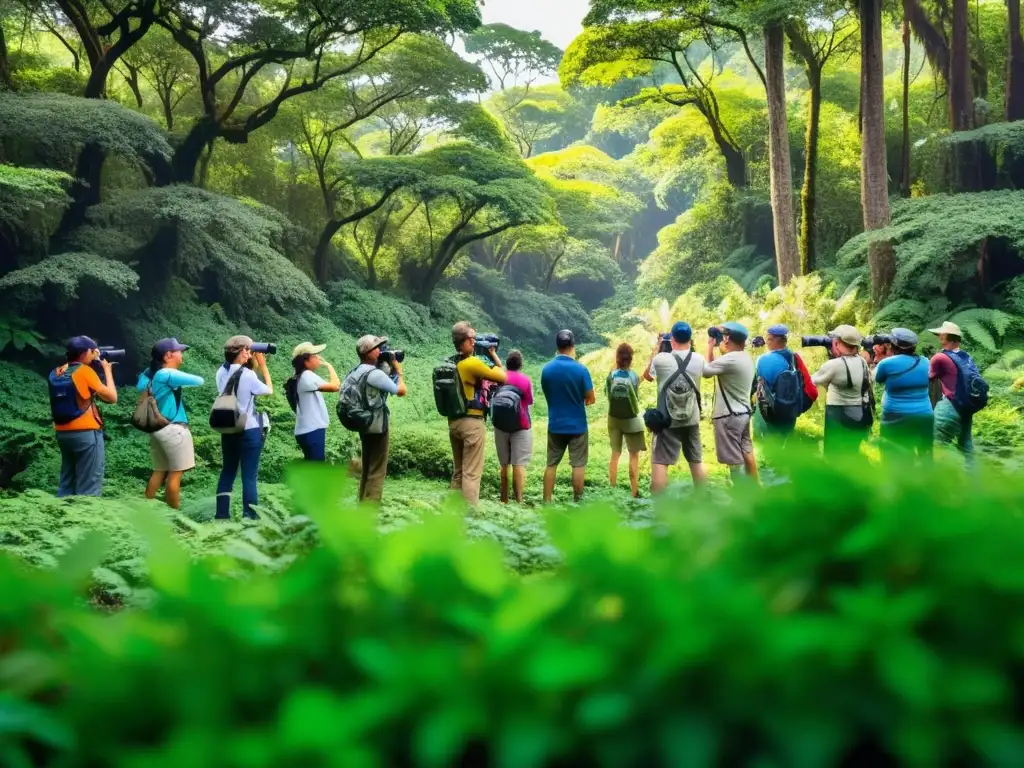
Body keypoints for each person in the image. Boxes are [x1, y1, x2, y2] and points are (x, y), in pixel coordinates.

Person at [136, 338, 204, 509]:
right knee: (175, 475)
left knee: (159, 472)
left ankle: (147, 510)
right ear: (168, 355)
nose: (182, 355)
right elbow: (199, 380)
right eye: (179, 352)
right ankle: (174, 516)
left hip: (157, 430)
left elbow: (140, 385)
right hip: (174, 430)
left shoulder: (151, 376)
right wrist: (174, 374)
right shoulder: (167, 374)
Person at [642, 322, 707, 493]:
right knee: (696, 460)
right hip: (691, 419)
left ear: (671, 339)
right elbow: (707, 373)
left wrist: (657, 346)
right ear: (690, 339)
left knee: (660, 461)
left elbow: (647, 376)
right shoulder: (699, 359)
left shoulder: (661, 359)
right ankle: (704, 500)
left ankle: (660, 506)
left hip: (666, 420)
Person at [50, 336, 117, 497]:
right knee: (89, 486)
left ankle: (61, 517)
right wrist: (107, 370)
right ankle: (85, 520)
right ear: (85, 352)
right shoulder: (85, 372)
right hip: (86, 434)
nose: (95, 355)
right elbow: (112, 398)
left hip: (63, 434)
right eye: (93, 351)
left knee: (67, 482)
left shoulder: (57, 372)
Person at [215, 335, 273, 520]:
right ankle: (250, 517)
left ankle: (222, 515)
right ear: (241, 352)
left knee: (228, 472)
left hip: (228, 428)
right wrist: (263, 366)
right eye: (247, 350)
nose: (250, 353)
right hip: (248, 430)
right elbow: (268, 390)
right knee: (249, 476)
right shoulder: (248, 375)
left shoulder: (220, 372)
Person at [448, 321, 506, 506]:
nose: (474, 343)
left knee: (459, 471)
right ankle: (470, 518)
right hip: (471, 422)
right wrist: (493, 354)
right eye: (472, 339)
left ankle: (451, 514)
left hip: (454, 422)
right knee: (471, 473)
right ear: (464, 342)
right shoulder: (472, 362)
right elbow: (503, 377)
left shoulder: (452, 361)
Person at [541, 329, 595, 503]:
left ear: (557, 346)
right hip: (577, 425)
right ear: (572, 346)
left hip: (555, 424)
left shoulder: (547, 369)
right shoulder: (581, 369)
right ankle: (577, 502)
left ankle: (547, 502)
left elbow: (548, 392)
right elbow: (591, 398)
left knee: (551, 464)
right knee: (578, 465)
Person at [351, 335, 407, 503]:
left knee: (367, 468)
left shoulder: (357, 369)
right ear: (369, 353)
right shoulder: (375, 374)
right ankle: (370, 512)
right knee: (377, 471)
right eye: (377, 348)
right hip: (377, 425)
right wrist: (399, 370)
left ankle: (362, 505)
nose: (380, 350)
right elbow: (401, 391)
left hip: (364, 423)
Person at [703, 322, 758, 483]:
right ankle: (756, 490)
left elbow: (706, 372)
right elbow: (715, 367)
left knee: (734, 461)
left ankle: (741, 497)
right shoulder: (744, 358)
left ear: (727, 339)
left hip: (729, 417)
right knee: (747, 451)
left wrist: (709, 346)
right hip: (743, 414)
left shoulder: (730, 359)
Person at [810, 325, 874, 456]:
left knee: (834, 452)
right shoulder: (862, 361)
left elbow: (813, 381)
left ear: (838, 343)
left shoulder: (834, 365)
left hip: (838, 413)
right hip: (858, 411)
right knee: (852, 450)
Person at [874, 327, 933, 463]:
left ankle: (899, 481)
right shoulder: (926, 362)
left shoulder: (886, 363)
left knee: (893, 455)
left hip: (896, 416)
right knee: (925, 455)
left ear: (893, 345)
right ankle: (927, 481)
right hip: (925, 414)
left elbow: (879, 380)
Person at [928, 321, 976, 462]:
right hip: (967, 406)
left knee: (937, 445)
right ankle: (973, 480)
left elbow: (929, 377)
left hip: (950, 405)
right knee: (966, 447)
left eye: (941, 334)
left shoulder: (940, 357)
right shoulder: (966, 356)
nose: (939, 336)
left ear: (946, 336)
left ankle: (941, 480)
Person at [288, 342, 340, 461]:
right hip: (312, 430)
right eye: (315, 356)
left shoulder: (300, 376)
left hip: (306, 430)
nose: (318, 359)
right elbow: (335, 386)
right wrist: (329, 367)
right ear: (306, 360)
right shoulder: (307, 376)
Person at [493, 349, 534, 504]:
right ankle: (518, 500)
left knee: (504, 464)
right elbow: (529, 401)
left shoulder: (499, 377)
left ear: (507, 364)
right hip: (521, 425)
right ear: (520, 365)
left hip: (500, 424)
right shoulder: (525, 380)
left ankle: (503, 500)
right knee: (519, 463)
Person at [607, 342, 646, 497]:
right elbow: (636, 393)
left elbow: (609, 396)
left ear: (617, 357)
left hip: (614, 418)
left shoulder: (611, 376)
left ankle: (612, 489)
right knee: (634, 455)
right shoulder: (634, 376)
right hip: (631, 420)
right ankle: (634, 491)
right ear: (631, 358)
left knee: (615, 453)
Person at [752, 324, 800, 441]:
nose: (766, 342)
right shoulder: (791, 356)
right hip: (789, 409)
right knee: (783, 443)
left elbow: (755, 382)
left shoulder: (764, 359)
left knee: (767, 444)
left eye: (768, 339)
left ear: (772, 340)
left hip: (769, 411)